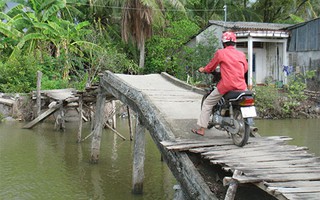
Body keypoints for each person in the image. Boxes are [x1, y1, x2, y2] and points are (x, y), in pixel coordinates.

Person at [191, 31, 248, 136]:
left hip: (226, 85)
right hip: (242, 86)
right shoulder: (241, 54)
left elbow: (210, 67)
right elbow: (245, 69)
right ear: (234, 43)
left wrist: (203, 69)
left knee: (207, 103)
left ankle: (202, 130)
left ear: (223, 43)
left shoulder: (221, 53)